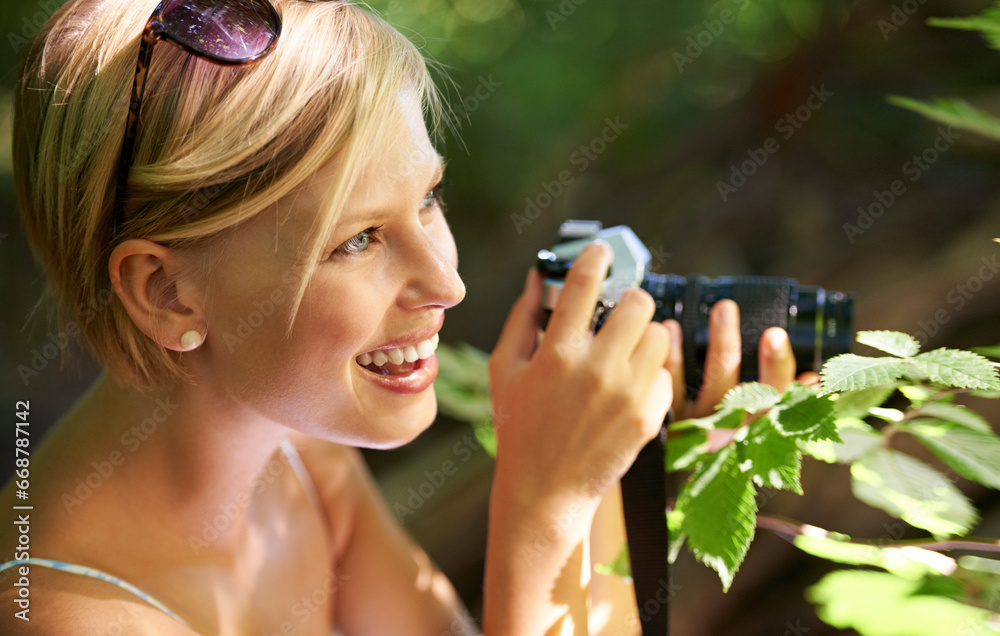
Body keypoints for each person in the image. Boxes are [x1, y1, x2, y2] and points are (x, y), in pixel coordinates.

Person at [0, 0, 805, 633]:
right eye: (357, 240)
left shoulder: (302, 466)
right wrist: (549, 501)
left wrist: (605, 465)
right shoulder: (64, 618)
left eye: (428, 198)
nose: (447, 284)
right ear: (165, 292)